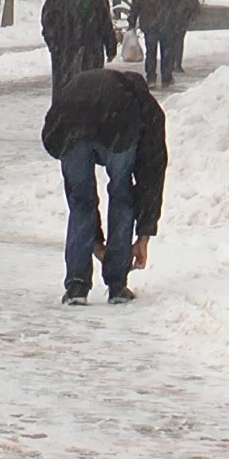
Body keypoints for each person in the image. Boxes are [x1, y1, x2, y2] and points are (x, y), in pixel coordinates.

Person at [42, 68, 168, 306]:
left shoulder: (83, 87)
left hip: (68, 121)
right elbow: (150, 178)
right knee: (121, 193)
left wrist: (95, 243)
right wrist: (143, 235)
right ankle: (117, 284)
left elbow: (76, 190)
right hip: (117, 120)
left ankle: (77, 285)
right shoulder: (146, 109)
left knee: (81, 200)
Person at [40, 0, 117, 98]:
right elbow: (48, 24)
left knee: (91, 88)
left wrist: (110, 47)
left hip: (91, 50)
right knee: (66, 89)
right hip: (65, 52)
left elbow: (105, 24)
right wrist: (54, 45)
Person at [127, 0, 189, 87]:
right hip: (167, 22)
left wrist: (132, 21)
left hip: (149, 22)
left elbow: (136, 4)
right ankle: (166, 76)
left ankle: (151, 77)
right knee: (167, 50)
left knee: (151, 51)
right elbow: (180, 2)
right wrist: (178, 18)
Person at [170, 0, 201, 71]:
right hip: (183, 14)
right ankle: (178, 63)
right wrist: (194, 12)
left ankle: (171, 62)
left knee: (171, 40)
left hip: (171, 14)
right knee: (179, 39)